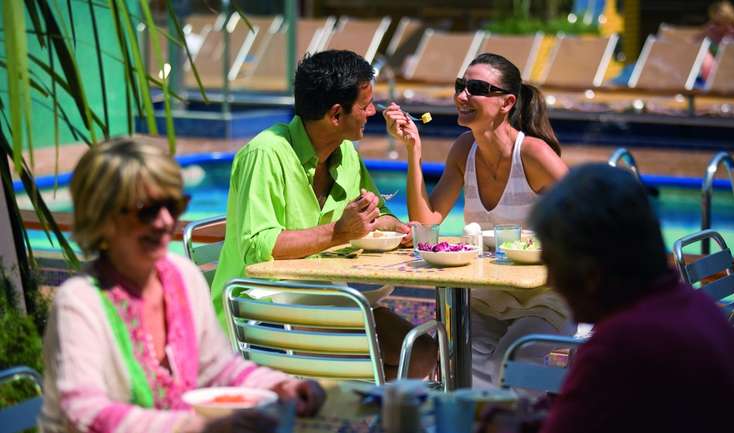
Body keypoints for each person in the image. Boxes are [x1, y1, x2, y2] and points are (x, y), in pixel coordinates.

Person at [39, 138, 325, 433]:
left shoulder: (181, 276)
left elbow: (218, 368)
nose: (165, 221)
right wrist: (199, 427)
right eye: (147, 210)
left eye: (172, 205)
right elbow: (83, 413)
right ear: (103, 217)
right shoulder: (82, 302)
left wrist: (281, 386)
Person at [211, 50, 436, 379]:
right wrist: (339, 232)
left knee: (421, 352)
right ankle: (335, 403)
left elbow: (379, 215)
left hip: (323, 303)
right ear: (335, 114)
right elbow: (256, 248)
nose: (373, 112)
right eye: (365, 105)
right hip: (261, 315)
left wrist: (395, 227)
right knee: (402, 357)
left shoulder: (345, 153)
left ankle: (348, 410)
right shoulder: (265, 153)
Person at [481, 164, 734, 433]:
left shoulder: (618, 349)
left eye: (552, 264)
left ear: (590, 274)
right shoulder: (697, 307)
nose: (551, 281)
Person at [383, 52, 573, 387]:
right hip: (486, 299)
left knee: (508, 366)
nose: (461, 96)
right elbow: (426, 223)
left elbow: (589, 212)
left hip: (546, 299)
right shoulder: (463, 149)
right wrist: (413, 150)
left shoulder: (533, 154)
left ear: (506, 102)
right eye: (461, 86)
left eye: (476, 88)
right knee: (466, 374)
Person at [699, 1, 734, 80]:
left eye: (722, 12)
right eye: (718, 23)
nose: (720, 15)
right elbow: (695, 42)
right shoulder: (711, 28)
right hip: (717, 68)